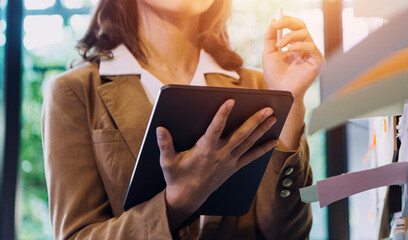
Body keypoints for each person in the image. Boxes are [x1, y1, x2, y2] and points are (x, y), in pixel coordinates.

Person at [42, 0, 323, 239]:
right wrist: (176, 203)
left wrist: (292, 101)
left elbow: (288, 234)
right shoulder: (75, 92)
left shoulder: (259, 86)